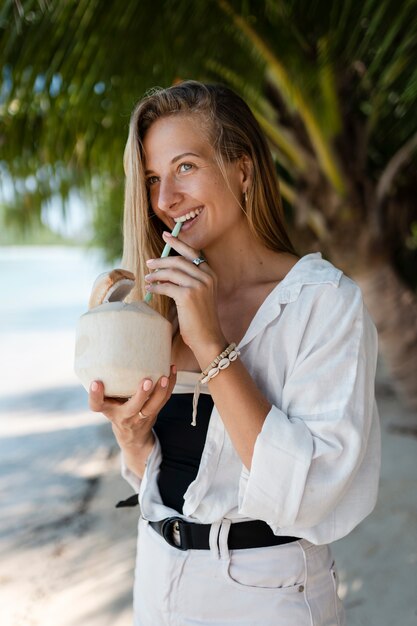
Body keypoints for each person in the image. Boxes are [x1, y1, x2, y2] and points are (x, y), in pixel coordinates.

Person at [89, 80, 380, 626]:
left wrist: (212, 345)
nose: (164, 200)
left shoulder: (324, 302)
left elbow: (313, 491)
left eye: (185, 168)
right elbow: (163, 474)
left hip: (266, 594)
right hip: (158, 578)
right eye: (153, 178)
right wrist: (131, 439)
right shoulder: (161, 307)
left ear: (243, 170)